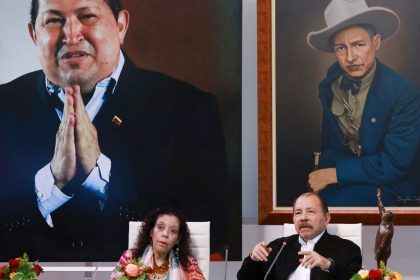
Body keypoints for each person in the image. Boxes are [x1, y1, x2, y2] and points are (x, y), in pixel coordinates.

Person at [0, 0, 229, 261]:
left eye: (87, 16)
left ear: (121, 26)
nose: (71, 34)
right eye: (53, 20)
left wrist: (101, 176)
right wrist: (52, 183)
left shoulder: (188, 108)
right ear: (33, 34)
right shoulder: (4, 108)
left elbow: (208, 234)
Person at [307, 0, 420, 206]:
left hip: (391, 186)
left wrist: (335, 174)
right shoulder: (329, 87)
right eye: (341, 48)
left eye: (359, 45)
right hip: (346, 181)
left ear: (376, 42)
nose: (350, 57)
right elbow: (329, 148)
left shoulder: (405, 93)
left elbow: (394, 164)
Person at [237, 192, 362, 280]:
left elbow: (355, 278)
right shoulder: (279, 247)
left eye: (310, 211)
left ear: (326, 218)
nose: (303, 218)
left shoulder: (348, 249)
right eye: (298, 213)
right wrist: (253, 259)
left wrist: (328, 265)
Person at [110, 207, 205, 280]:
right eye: (160, 227)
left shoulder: (188, 263)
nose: (165, 234)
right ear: (151, 231)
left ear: (178, 239)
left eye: (173, 231)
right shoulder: (130, 256)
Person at [374, 188, 394, 268]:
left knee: (381, 269)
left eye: (384, 214)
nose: (382, 213)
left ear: (385, 218)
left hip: (383, 253)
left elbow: (383, 244)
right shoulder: (386, 221)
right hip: (379, 250)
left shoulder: (387, 231)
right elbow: (381, 208)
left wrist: (378, 254)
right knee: (380, 269)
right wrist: (379, 197)